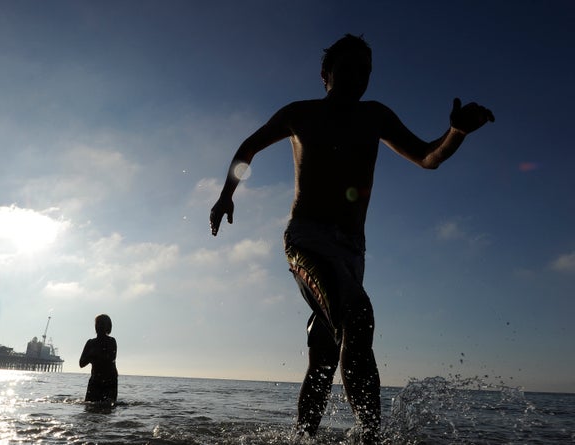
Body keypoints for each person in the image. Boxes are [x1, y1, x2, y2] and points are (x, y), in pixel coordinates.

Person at [209, 34, 494, 443]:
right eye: (349, 68)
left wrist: (456, 133)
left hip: (352, 253)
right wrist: (224, 197)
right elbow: (248, 148)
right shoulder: (300, 114)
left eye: (366, 71)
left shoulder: (375, 116)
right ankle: (370, 437)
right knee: (357, 317)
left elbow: (427, 157)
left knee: (326, 352)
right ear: (326, 74)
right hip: (306, 241)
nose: (359, 77)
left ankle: (302, 438)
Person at [79, 314, 118, 406]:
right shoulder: (90, 343)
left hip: (110, 381)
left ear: (108, 327)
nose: (99, 326)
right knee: (90, 407)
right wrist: (91, 356)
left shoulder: (111, 341)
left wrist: (95, 355)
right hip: (95, 380)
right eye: (97, 324)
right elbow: (81, 363)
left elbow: (111, 358)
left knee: (108, 408)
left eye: (102, 324)